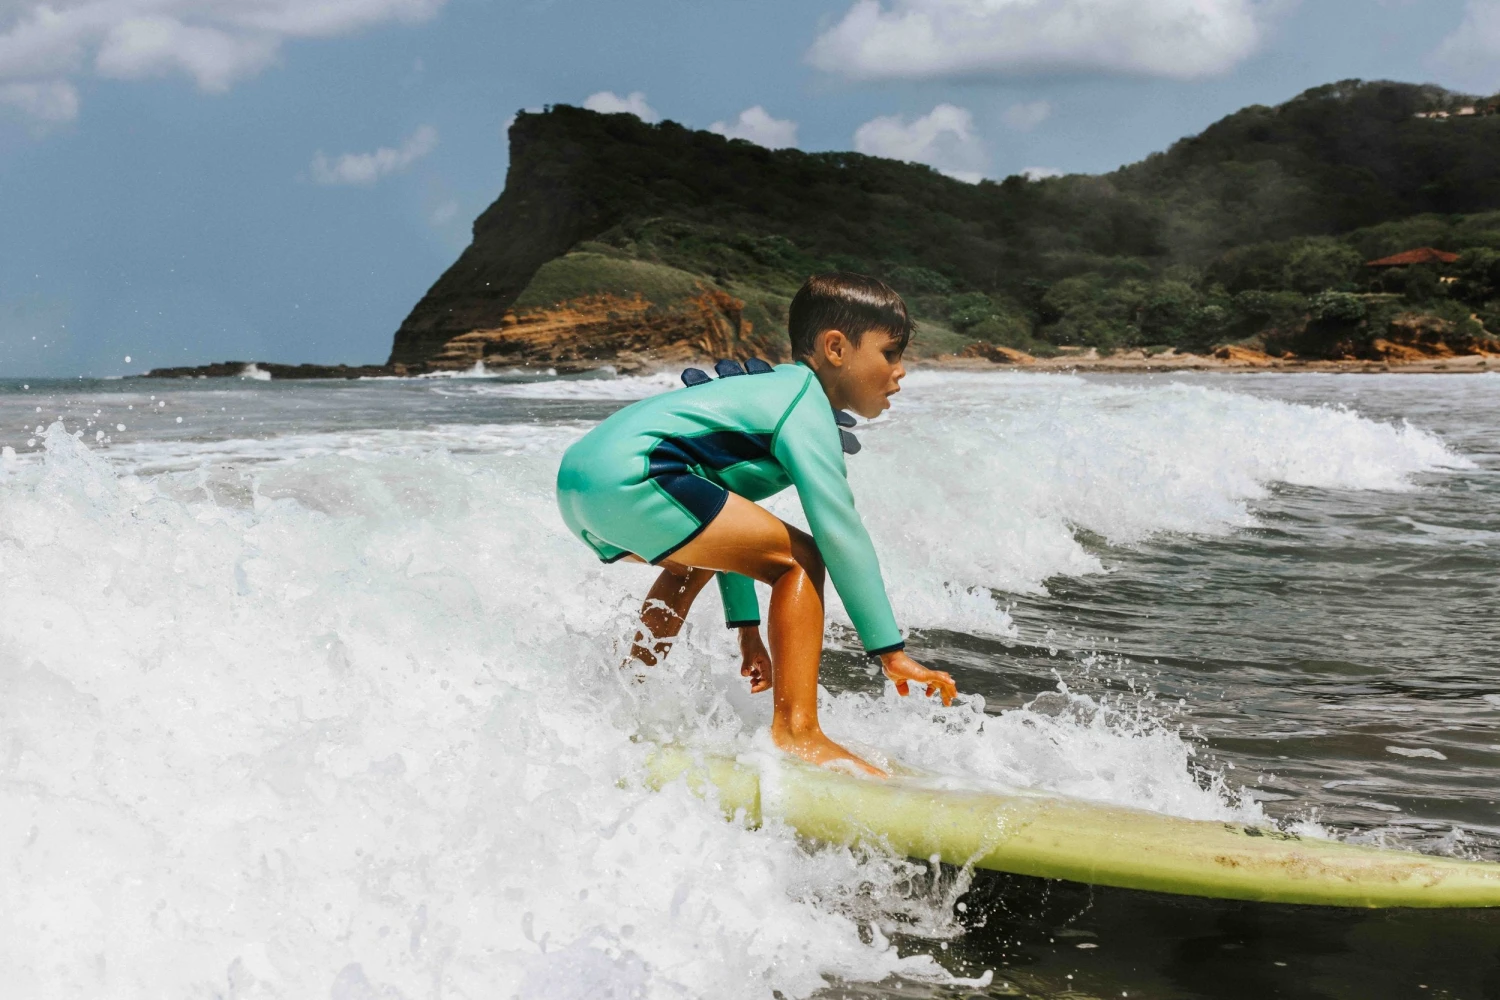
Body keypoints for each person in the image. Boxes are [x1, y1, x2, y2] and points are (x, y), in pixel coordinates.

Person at [555, 272, 956, 776]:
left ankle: (630, 692)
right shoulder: (802, 402)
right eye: (890, 353)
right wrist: (889, 650)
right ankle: (798, 732)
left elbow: (723, 521)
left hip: (581, 486)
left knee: (689, 565)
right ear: (836, 347)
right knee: (801, 557)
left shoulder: (774, 394)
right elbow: (840, 531)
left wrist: (747, 632)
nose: (900, 372)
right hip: (635, 472)